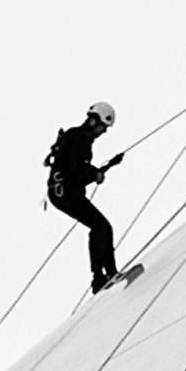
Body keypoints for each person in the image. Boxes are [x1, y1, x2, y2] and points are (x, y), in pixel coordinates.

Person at [46, 102, 138, 292]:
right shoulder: (80, 139)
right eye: (103, 127)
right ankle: (104, 277)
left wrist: (103, 169)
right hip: (65, 194)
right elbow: (78, 169)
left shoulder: (75, 136)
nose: (103, 132)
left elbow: (73, 170)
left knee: (101, 227)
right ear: (95, 121)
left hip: (61, 193)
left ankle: (106, 275)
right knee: (101, 226)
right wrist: (95, 174)